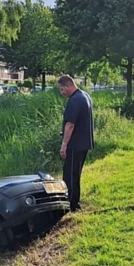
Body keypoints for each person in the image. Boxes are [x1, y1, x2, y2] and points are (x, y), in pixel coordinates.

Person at [57, 75, 94, 212]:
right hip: (84, 143)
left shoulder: (74, 100)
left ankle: (71, 205)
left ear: (67, 85)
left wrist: (64, 145)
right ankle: (74, 202)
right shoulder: (85, 95)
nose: (62, 93)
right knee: (75, 174)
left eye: (62, 89)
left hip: (75, 145)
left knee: (70, 175)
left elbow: (70, 125)